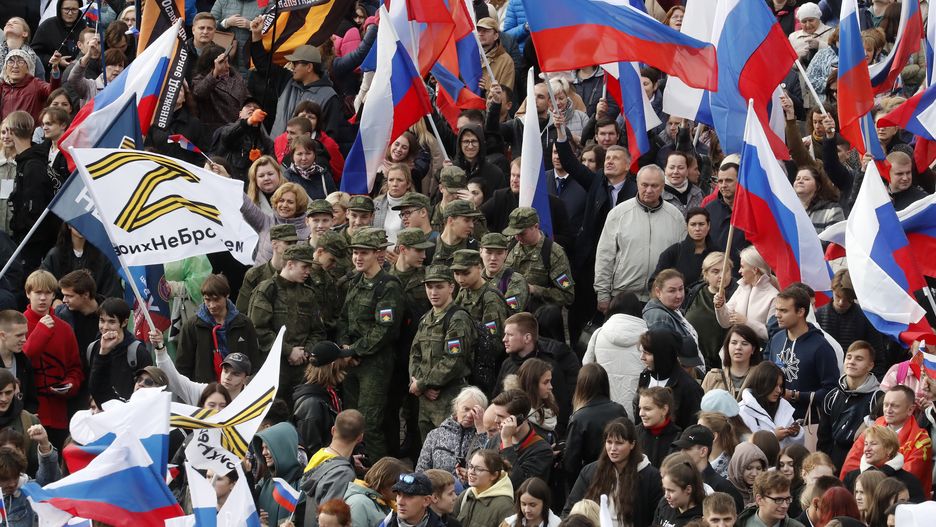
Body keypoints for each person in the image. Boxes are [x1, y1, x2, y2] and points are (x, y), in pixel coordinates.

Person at [339, 228, 404, 461]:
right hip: (351, 362)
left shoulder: (388, 286)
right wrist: (345, 347)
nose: (358, 257)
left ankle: (379, 477)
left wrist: (353, 350)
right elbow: (344, 319)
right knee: (349, 421)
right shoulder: (355, 281)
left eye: (363, 253)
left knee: (369, 423)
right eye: (355, 252)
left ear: (378, 254)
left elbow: (384, 330)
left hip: (375, 363)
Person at [595, 165, 686, 305]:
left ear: (663, 186)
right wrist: (602, 293)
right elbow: (605, 255)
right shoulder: (618, 214)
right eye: (644, 185)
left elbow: (681, 259)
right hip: (624, 295)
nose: (649, 190)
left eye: (654, 185)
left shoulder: (676, 217)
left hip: (662, 298)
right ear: (637, 184)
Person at [249, 244, 328, 401]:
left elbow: (318, 331)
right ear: (290, 264)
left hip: (303, 369)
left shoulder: (308, 293)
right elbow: (258, 329)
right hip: (274, 368)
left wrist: (305, 351)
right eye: (304, 267)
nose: (308, 272)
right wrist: (288, 351)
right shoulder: (267, 290)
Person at [411, 265, 477, 439]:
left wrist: (423, 384)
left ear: (451, 287)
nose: (433, 292)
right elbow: (415, 354)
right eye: (429, 286)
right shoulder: (426, 318)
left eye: (439, 287)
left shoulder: (458, 319)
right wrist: (420, 385)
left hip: (449, 398)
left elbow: (453, 361)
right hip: (426, 401)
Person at [21, 270, 82, 449]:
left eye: (48, 293)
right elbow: (19, 362)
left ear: (54, 295)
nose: (43, 298)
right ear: (28, 294)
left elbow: (75, 368)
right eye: (38, 293)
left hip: (59, 413)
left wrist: (70, 384)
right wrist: (40, 332)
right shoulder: (18, 324)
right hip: (28, 413)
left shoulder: (65, 328)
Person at [564, 418, 663, 527]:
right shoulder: (590, 471)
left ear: (632, 444)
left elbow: (658, 517)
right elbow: (570, 509)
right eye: (609, 442)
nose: (613, 448)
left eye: (619, 443)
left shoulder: (651, 477)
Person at [495, 312, 579, 433]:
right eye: (505, 334)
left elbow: (561, 407)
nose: (504, 339)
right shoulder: (507, 364)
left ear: (527, 338)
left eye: (510, 335)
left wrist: (557, 437)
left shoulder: (548, 368)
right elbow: (497, 398)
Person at [765, 286, 839, 421]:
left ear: (800, 312)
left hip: (808, 423)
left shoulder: (821, 347)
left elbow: (832, 392)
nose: (777, 315)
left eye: (783, 310)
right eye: (777, 309)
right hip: (776, 420)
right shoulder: (776, 339)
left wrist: (795, 395)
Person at [839, 386, 932, 493]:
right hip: (864, 492)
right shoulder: (874, 428)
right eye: (886, 405)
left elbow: (908, 476)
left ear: (910, 409)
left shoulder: (920, 439)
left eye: (894, 406)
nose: (888, 410)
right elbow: (852, 462)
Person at [175, 274, 260, 384]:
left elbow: (255, 361)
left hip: (239, 390)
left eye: (216, 299)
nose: (212, 305)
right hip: (205, 391)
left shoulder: (244, 323)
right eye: (207, 300)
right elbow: (182, 366)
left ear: (227, 295)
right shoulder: (192, 326)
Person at [818, 340, 883, 470]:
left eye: (859, 359)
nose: (851, 362)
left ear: (870, 366)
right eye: (849, 357)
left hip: (863, 464)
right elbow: (823, 438)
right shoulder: (832, 396)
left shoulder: (879, 398)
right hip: (833, 463)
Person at [583, 293, 647, 417]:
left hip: (602, 405)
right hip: (638, 407)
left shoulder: (599, 333)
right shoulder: (648, 337)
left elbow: (587, 365)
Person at [563, 363, 629, 482]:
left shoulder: (579, 418)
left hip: (590, 479)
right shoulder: (619, 410)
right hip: (620, 474)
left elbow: (570, 462)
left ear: (581, 386)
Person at [301, 409, 365, 527]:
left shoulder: (318, 456)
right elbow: (330, 520)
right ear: (360, 438)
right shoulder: (343, 474)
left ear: (333, 430)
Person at [86, 298, 154, 405]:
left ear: (124, 322)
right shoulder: (93, 348)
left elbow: (148, 391)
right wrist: (103, 352)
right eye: (102, 320)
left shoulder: (138, 352)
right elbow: (93, 386)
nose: (105, 327)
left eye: (112, 322)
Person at [635, 330, 703, 430]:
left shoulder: (689, 388)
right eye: (641, 352)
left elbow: (692, 427)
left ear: (662, 355)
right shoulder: (645, 376)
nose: (642, 358)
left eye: (647, 353)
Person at [643, 270, 706, 373]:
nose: (679, 295)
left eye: (681, 289)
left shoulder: (673, 310)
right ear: (658, 292)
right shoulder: (660, 317)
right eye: (672, 291)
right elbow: (663, 357)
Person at [841, 425, 925, 502]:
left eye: (873, 444)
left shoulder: (909, 481)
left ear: (890, 449)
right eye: (866, 444)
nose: (867, 449)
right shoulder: (851, 477)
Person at [814, 270, 883, 362]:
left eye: (847, 299)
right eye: (838, 296)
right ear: (832, 290)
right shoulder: (817, 315)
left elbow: (877, 354)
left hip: (855, 373)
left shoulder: (866, 318)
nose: (841, 302)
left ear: (854, 297)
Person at [488, 389, 554, 487]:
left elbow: (516, 484)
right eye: (496, 415)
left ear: (518, 420)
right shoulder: (496, 439)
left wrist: (507, 442)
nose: (495, 420)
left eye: (501, 416)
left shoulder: (542, 450)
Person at [416, 386, 487, 474]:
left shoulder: (486, 437)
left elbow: (488, 466)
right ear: (457, 406)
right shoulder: (436, 435)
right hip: (439, 486)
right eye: (466, 409)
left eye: (474, 411)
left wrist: (481, 431)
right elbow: (421, 470)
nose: (469, 415)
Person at [715, 246, 778, 343]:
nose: (739, 271)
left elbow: (771, 333)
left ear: (755, 270)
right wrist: (720, 306)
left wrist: (746, 322)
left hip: (757, 353)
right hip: (735, 350)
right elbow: (725, 322)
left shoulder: (774, 296)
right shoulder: (742, 288)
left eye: (742, 267)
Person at [235, 224, 300, 313]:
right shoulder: (255, 275)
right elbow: (242, 311)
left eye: (294, 243)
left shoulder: (299, 275)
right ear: (274, 244)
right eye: (288, 243)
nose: (293, 247)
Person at [738, 362, 804, 448]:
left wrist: (796, 434)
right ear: (762, 384)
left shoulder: (784, 408)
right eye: (774, 385)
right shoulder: (742, 411)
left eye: (780, 386)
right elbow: (741, 448)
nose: (779, 390)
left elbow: (794, 449)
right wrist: (773, 437)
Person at [253, 422, 303, 526]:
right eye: (262, 448)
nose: (263, 453)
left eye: (267, 447)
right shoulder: (264, 483)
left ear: (282, 448)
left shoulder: (303, 484)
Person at [652, 207, 716, 289]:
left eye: (701, 224)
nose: (697, 229)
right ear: (686, 226)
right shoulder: (673, 252)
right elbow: (655, 283)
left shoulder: (717, 253)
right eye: (693, 224)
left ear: (708, 225)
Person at [452, 449, 515, 527]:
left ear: (494, 475)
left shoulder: (505, 506)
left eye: (479, 469)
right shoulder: (466, 495)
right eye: (470, 466)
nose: (471, 472)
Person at [345, 457, 410, 527]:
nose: (400, 491)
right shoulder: (358, 503)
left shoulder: (385, 502)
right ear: (385, 482)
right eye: (397, 486)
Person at [702, 325, 762, 398]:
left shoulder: (761, 377)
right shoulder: (712, 377)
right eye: (734, 343)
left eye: (744, 343)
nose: (738, 347)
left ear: (753, 349)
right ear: (727, 346)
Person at [480, 233, 530, 313]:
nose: (493, 258)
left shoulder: (514, 281)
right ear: (481, 252)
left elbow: (510, 313)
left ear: (506, 254)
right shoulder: (475, 279)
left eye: (499, 253)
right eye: (489, 253)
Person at [635, 386, 682, 468]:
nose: (641, 413)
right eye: (640, 408)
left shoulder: (678, 438)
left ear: (664, 410)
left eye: (647, 409)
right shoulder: (634, 434)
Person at [736, 472, 805, 527]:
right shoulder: (739, 524)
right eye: (778, 500)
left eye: (787, 499)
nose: (785, 505)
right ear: (759, 499)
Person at [653, 454, 705, 526]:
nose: (666, 496)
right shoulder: (664, 504)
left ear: (688, 489)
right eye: (664, 489)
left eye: (671, 491)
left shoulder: (701, 516)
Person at [0, 311, 36, 414]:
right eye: (19, 335)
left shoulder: (24, 361)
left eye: (25, 334)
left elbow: (31, 400)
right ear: (3, 335)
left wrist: (27, 417)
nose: (24, 340)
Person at [728, 442, 769, 508]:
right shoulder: (726, 489)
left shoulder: (768, 489)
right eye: (749, 468)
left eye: (759, 468)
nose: (754, 474)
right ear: (737, 466)